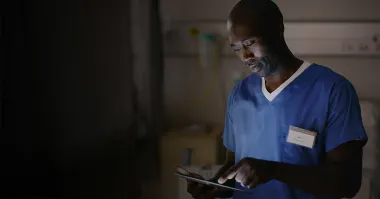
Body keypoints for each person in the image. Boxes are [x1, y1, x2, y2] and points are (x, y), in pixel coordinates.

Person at [186, 0, 368, 199]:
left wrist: (274, 170)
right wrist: (215, 187)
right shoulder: (240, 95)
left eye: (249, 43)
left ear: (278, 29)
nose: (245, 56)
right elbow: (235, 167)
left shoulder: (332, 90)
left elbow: (347, 183)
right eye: (236, 48)